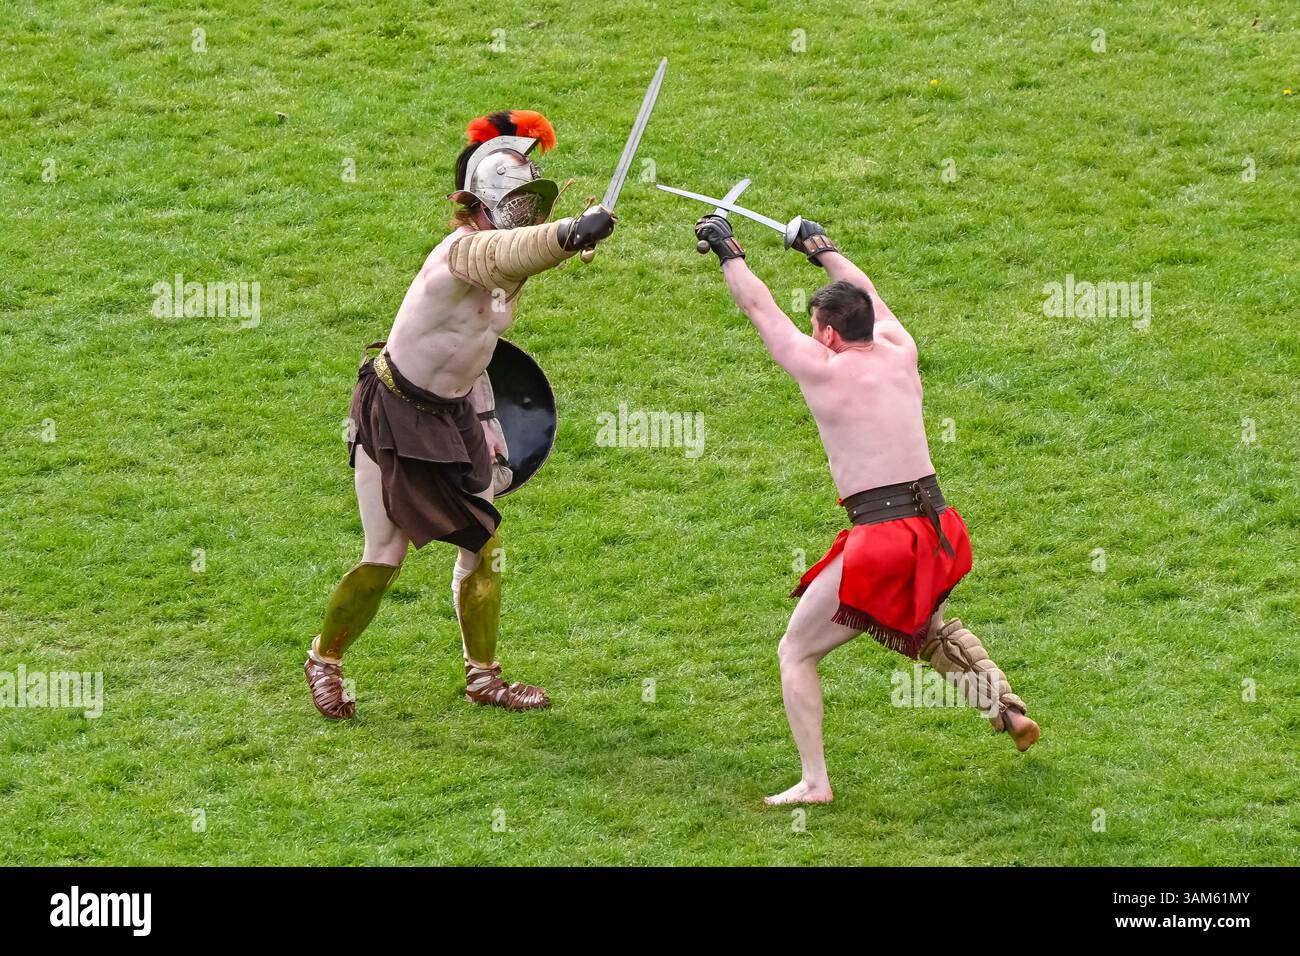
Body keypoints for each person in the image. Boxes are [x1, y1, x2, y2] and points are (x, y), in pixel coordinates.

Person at [693, 213, 1040, 804]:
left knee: (795, 651)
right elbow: (870, 293)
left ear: (827, 333)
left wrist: (728, 252)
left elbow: (760, 311)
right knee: (915, 622)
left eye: (814, 326)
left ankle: (814, 782)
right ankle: (1003, 707)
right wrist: (821, 248)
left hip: (881, 538)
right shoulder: (901, 351)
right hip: (939, 528)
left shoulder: (821, 370)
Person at [304, 110, 616, 718]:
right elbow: (508, 249)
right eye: (515, 201)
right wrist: (571, 234)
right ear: (474, 203)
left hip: (459, 413)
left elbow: (496, 309)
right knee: (384, 555)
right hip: (395, 413)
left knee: (486, 542)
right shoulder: (460, 254)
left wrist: (488, 426)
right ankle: (325, 659)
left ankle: (484, 677)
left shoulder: (509, 267)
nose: (526, 213)